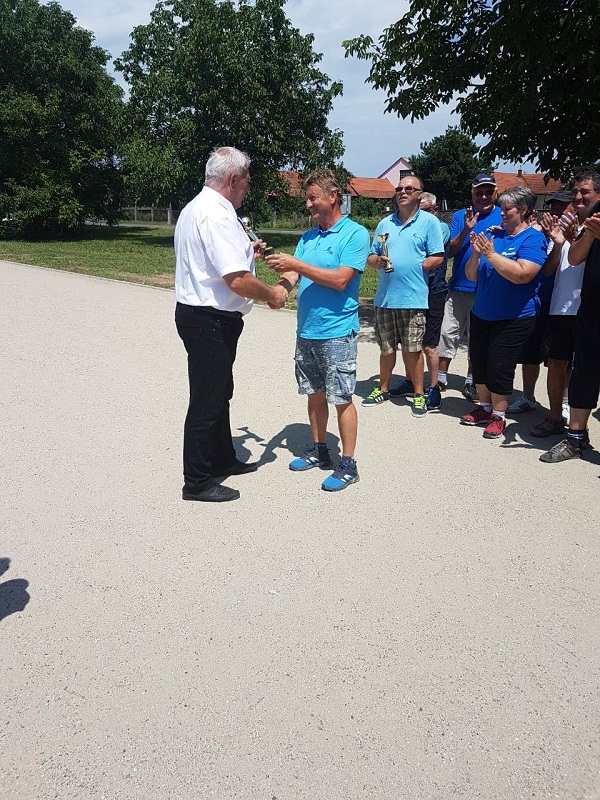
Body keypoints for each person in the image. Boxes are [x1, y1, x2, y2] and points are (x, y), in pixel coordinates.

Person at [174, 146, 287, 503]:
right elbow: (236, 280)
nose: (247, 189)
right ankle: (197, 481)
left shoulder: (197, 208)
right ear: (234, 179)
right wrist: (272, 294)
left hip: (203, 316)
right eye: (247, 182)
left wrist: (246, 253)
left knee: (220, 392)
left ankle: (222, 457)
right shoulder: (218, 214)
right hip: (209, 319)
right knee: (207, 400)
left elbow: (214, 262)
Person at [265, 170, 370, 491]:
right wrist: (278, 291)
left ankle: (348, 464)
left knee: (341, 397)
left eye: (313, 198)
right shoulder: (308, 238)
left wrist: (296, 265)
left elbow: (340, 280)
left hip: (337, 332)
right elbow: (292, 275)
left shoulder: (355, 234)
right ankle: (319, 449)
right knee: (314, 393)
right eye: (307, 199)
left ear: (333, 197)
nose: (308, 204)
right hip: (307, 331)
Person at [460, 187, 548, 439]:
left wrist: (491, 254)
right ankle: (484, 407)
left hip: (513, 317)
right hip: (482, 312)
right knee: (480, 363)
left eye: (507, 209)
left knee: (499, 366)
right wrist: (476, 255)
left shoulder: (532, 239)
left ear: (523, 210)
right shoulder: (494, 235)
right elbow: (471, 276)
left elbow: (523, 274)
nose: (501, 213)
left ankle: (498, 415)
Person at [361, 175, 445, 417]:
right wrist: (377, 261)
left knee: (413, 350)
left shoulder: (429, 222)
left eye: (409, 188)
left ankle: (418, 394)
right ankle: (383, 388)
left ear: (420, 194)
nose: (403, 191)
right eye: (399, 188)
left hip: (413, 298)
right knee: (386, 349)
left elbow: (438, 256)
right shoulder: (385, 223)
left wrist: (418, 266)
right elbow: (371, 257)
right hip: (385, 298)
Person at [529, 176, 600, 440]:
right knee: (556, 365)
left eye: (585, 192)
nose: (578, 197)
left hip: (589, 309)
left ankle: (579, 427)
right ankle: (554, 418)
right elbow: (548, 271)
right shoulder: (562, 227)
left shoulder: (596, 224)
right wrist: (558, 244)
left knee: (585, 369)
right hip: (561, 307)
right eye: (575, 192)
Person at [507, 189, 573, 415]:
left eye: (563, 206)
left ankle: (565, 401)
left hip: (565, 303)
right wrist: (544, 235)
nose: (557, 210)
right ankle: (528, 397)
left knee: (563, 357)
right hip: (539, 299)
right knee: (531, 352)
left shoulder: (579, 232)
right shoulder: (538, 233)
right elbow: (542, 268)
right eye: (554, 206)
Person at [438, 174, 503, 399]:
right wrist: (466, 229)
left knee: (477, 338)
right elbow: (451, 251)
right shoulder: (460, 216)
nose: (484, 196)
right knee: (448, 332)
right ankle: (440, 378)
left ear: (496, 193)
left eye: (488, 192)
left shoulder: (502, 215)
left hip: (487, 288)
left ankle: (471, 381)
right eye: (479, 192)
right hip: (459, 286)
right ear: (472, 193)